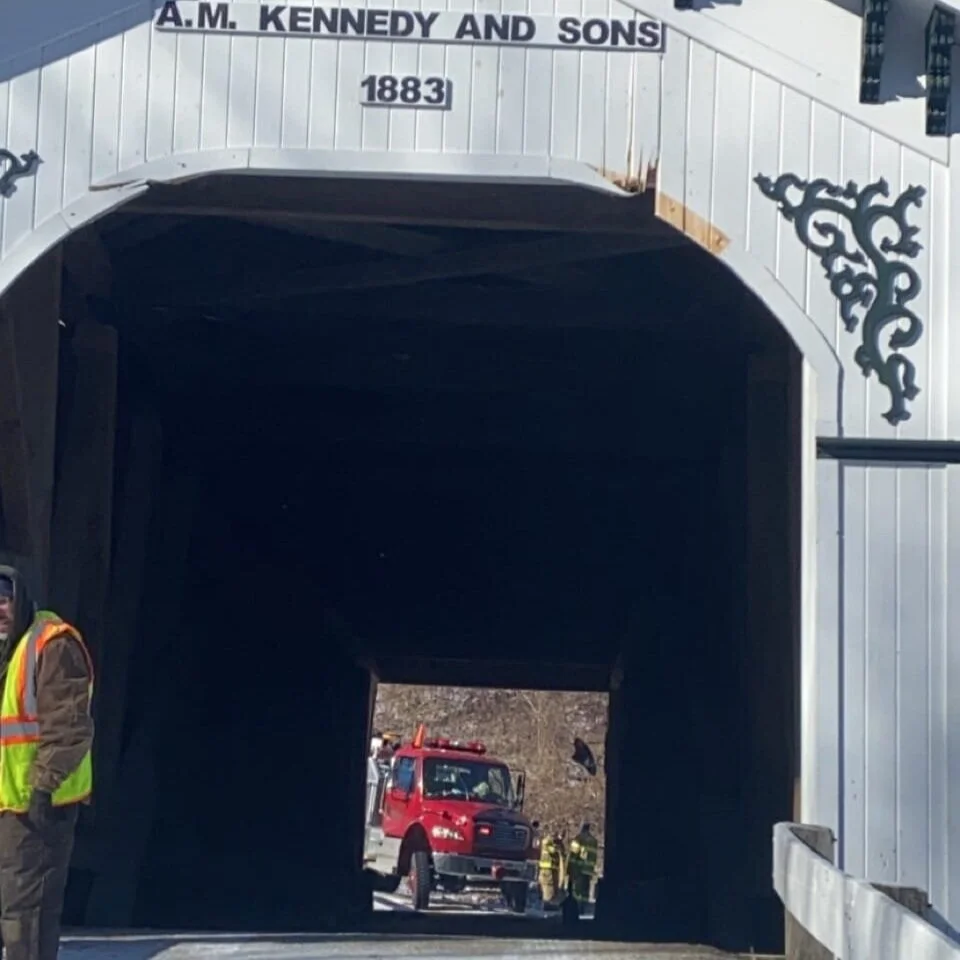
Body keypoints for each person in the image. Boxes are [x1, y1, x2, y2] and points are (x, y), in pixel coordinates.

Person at [0, 566, 95, 960]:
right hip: (8, 804)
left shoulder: (51, 645)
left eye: (3, 599)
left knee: (26, 915)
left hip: (35, 807)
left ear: (21, 599)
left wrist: (44, 787)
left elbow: (69, 726)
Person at [567, 821, 598, 909]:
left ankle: (578, 908)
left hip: (579, 869)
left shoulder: (578, 839)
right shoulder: (594, 841)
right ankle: (585, 907)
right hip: (589, 870)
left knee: (577, 891)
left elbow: (573, 854)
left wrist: (570, 868)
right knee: (585, 890)